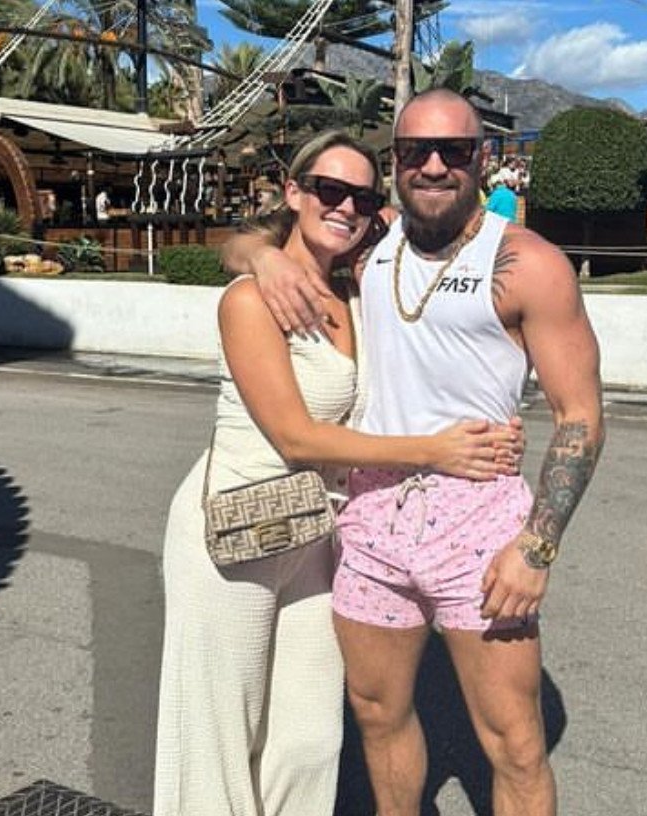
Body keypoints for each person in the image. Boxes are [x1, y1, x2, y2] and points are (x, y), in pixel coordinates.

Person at [222, 88, 605, 816]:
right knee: (377, 714)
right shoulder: (370, 243)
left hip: (480, 521)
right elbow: (248, 240)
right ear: (395, 162)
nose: (433, 166)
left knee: (514, 744)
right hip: (371, 516)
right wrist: (261, 259)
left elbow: (579, 416)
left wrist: (536, 549)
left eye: (452, 151)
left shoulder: (528, 263)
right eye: (413, 152)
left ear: (482, 159)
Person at [152, 130, 523, 816]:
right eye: (329, 189)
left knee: (310, 739)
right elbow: (297, 437)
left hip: (319, 534)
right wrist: (435, 451)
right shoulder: (250, 300)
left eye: (362, 196)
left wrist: (493, 414)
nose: (346, 206)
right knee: (220, 735)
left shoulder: (356, 290)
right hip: (238, 528)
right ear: (294, 193)